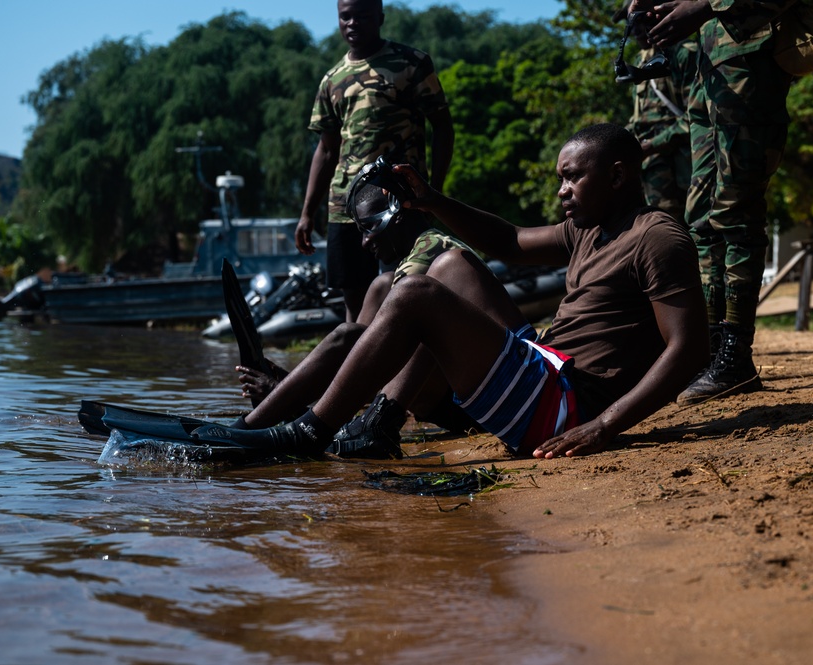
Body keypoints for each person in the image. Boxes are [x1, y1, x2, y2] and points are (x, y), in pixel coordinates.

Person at [193, 124, 708, 460]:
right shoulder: (592, 228)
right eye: (560, 179)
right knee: (447, 266)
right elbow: (507, 241)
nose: (561, 191)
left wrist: (604, 426)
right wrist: (432, 200)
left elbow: (688, 349)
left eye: (572, 178)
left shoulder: (656, 238)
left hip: (564, 407)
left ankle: (307, 433)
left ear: (617, 176)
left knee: (415, 294)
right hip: (545, 368)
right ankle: (263, 425)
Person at [236, 158, 531, 458]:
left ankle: (245, 431)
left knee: (349, 335)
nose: (365, 242)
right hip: (453, 397)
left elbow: (363, 356)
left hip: (479, 405)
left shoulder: (429, 252)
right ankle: (295, 412)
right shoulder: (409, 262)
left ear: (398, 215)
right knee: (380, 288)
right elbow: (360, 365)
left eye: (369, 227)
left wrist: (288, 390)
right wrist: (294, 387)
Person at [636, 0, 795, 405]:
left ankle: (736, 355)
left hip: (749, 61)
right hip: (711, 69)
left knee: (736, 212)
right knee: (701, 220)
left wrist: (704, 5)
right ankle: (706, 351)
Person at [295, 0, 454, 323]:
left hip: (398, 201)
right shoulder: (332, 79)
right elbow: (326, 150)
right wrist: (306, 213)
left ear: (380, 17)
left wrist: (433, 191)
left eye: (362, 16)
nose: (353, 23)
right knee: (354, 298)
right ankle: (357, 366)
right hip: (344, 206)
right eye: (345, 17)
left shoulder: (412, 64)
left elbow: (443, 126)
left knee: (401, 287)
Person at [625, 38, 698, 220]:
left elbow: (697, 117)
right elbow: (638, 117)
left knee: (674, 225)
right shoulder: (640, 60)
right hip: (646, 164)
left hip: (679, 164)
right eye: (632, 24)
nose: (637, 30)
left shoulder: (684, 53)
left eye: (643, 20)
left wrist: (653, 145)